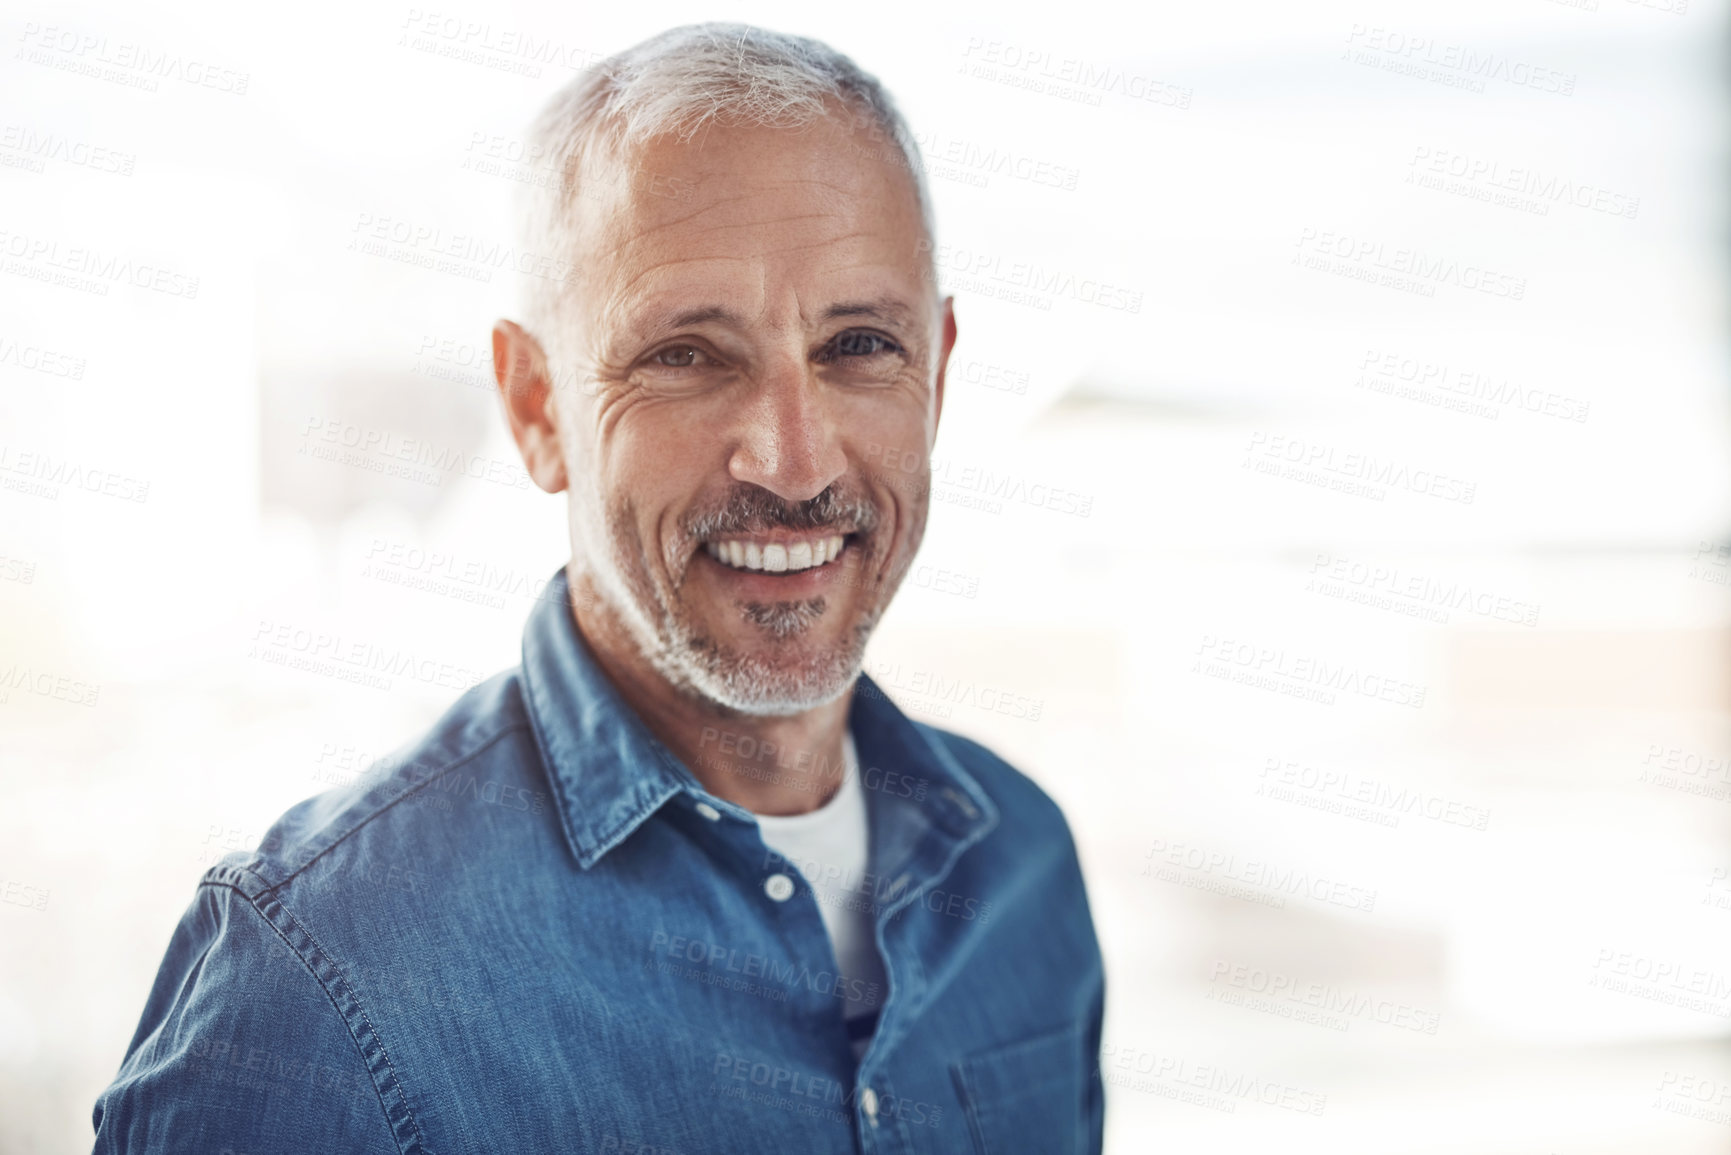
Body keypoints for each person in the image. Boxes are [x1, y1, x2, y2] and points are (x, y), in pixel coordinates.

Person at [94, 23, 1104, 1153]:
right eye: (685, 354)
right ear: (536, 409)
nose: (796, 460)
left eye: (859, 342)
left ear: (939, 380)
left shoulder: (1025, 870)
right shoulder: (318, 983)